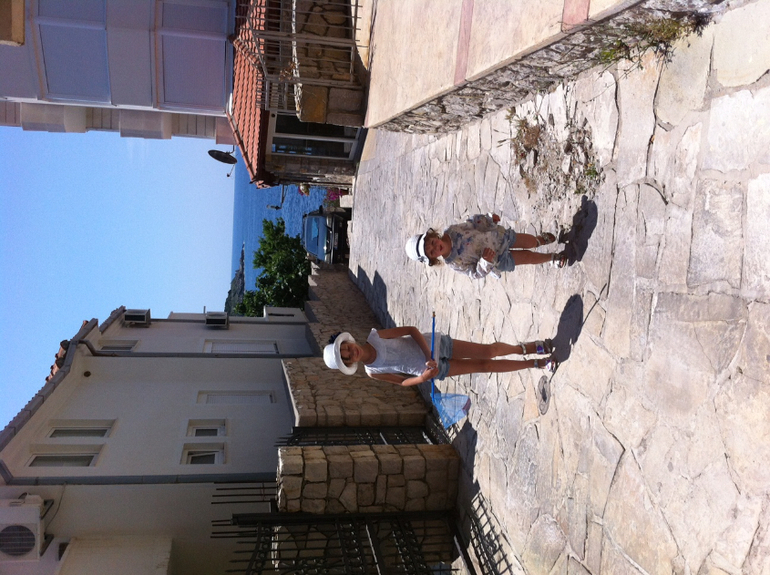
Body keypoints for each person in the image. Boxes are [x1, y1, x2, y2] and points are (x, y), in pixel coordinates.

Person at [323, 327, 557, 386]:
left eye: (346, 348)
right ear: (350, 364)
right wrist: (423, 378)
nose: (351, 352)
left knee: (488, 352)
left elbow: (411, 330)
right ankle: (535, 363)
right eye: (347, 357)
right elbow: (402, 382)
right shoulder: (372, 372)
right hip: (432, 371)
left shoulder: (375, 336)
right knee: (484, 366)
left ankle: (527, 348)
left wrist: (428, 354)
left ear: (348, 341)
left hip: (436, 345)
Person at [405, 213, 566, 279]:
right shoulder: (454, 263)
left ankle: (539, 240)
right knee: (527, 258)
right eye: (431, 252)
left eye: (432, 243)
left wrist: (488, 219)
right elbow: (474, 273)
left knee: (529, 242)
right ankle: (552, 258)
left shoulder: (452, 231)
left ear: (433, 236)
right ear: (432, 259)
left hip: (498, 237)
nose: (435, 248)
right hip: (498, 260)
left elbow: (472, 224)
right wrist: (484, 262)